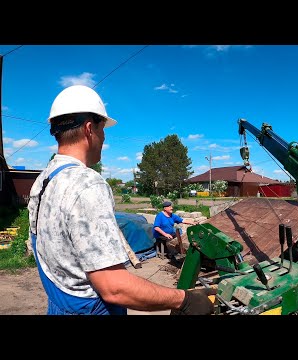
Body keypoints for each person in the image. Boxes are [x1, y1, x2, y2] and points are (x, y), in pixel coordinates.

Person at [27, 84, 215, 315]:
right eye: (103, 130)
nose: (104, 138)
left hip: (59, 303)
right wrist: (184, 300)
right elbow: (114, 288)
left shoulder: (43, 180)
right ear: (89, 129)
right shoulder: (87, 183)